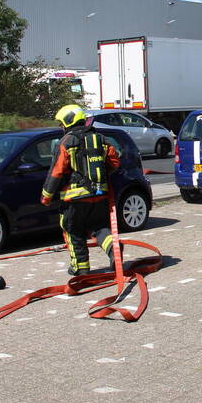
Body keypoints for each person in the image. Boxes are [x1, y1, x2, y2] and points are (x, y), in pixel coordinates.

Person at [41, 104, 121, 276]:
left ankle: (81, 267)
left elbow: (56, 172)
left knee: (73, 231)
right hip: (99, 195)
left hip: (74, 199)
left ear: (68, 121)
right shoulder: (100, 138)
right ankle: (115, 252)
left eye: (61, 124)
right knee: (100, 228)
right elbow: (114, 162)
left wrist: (46, 196)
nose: (61, 127)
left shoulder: (66, 142)